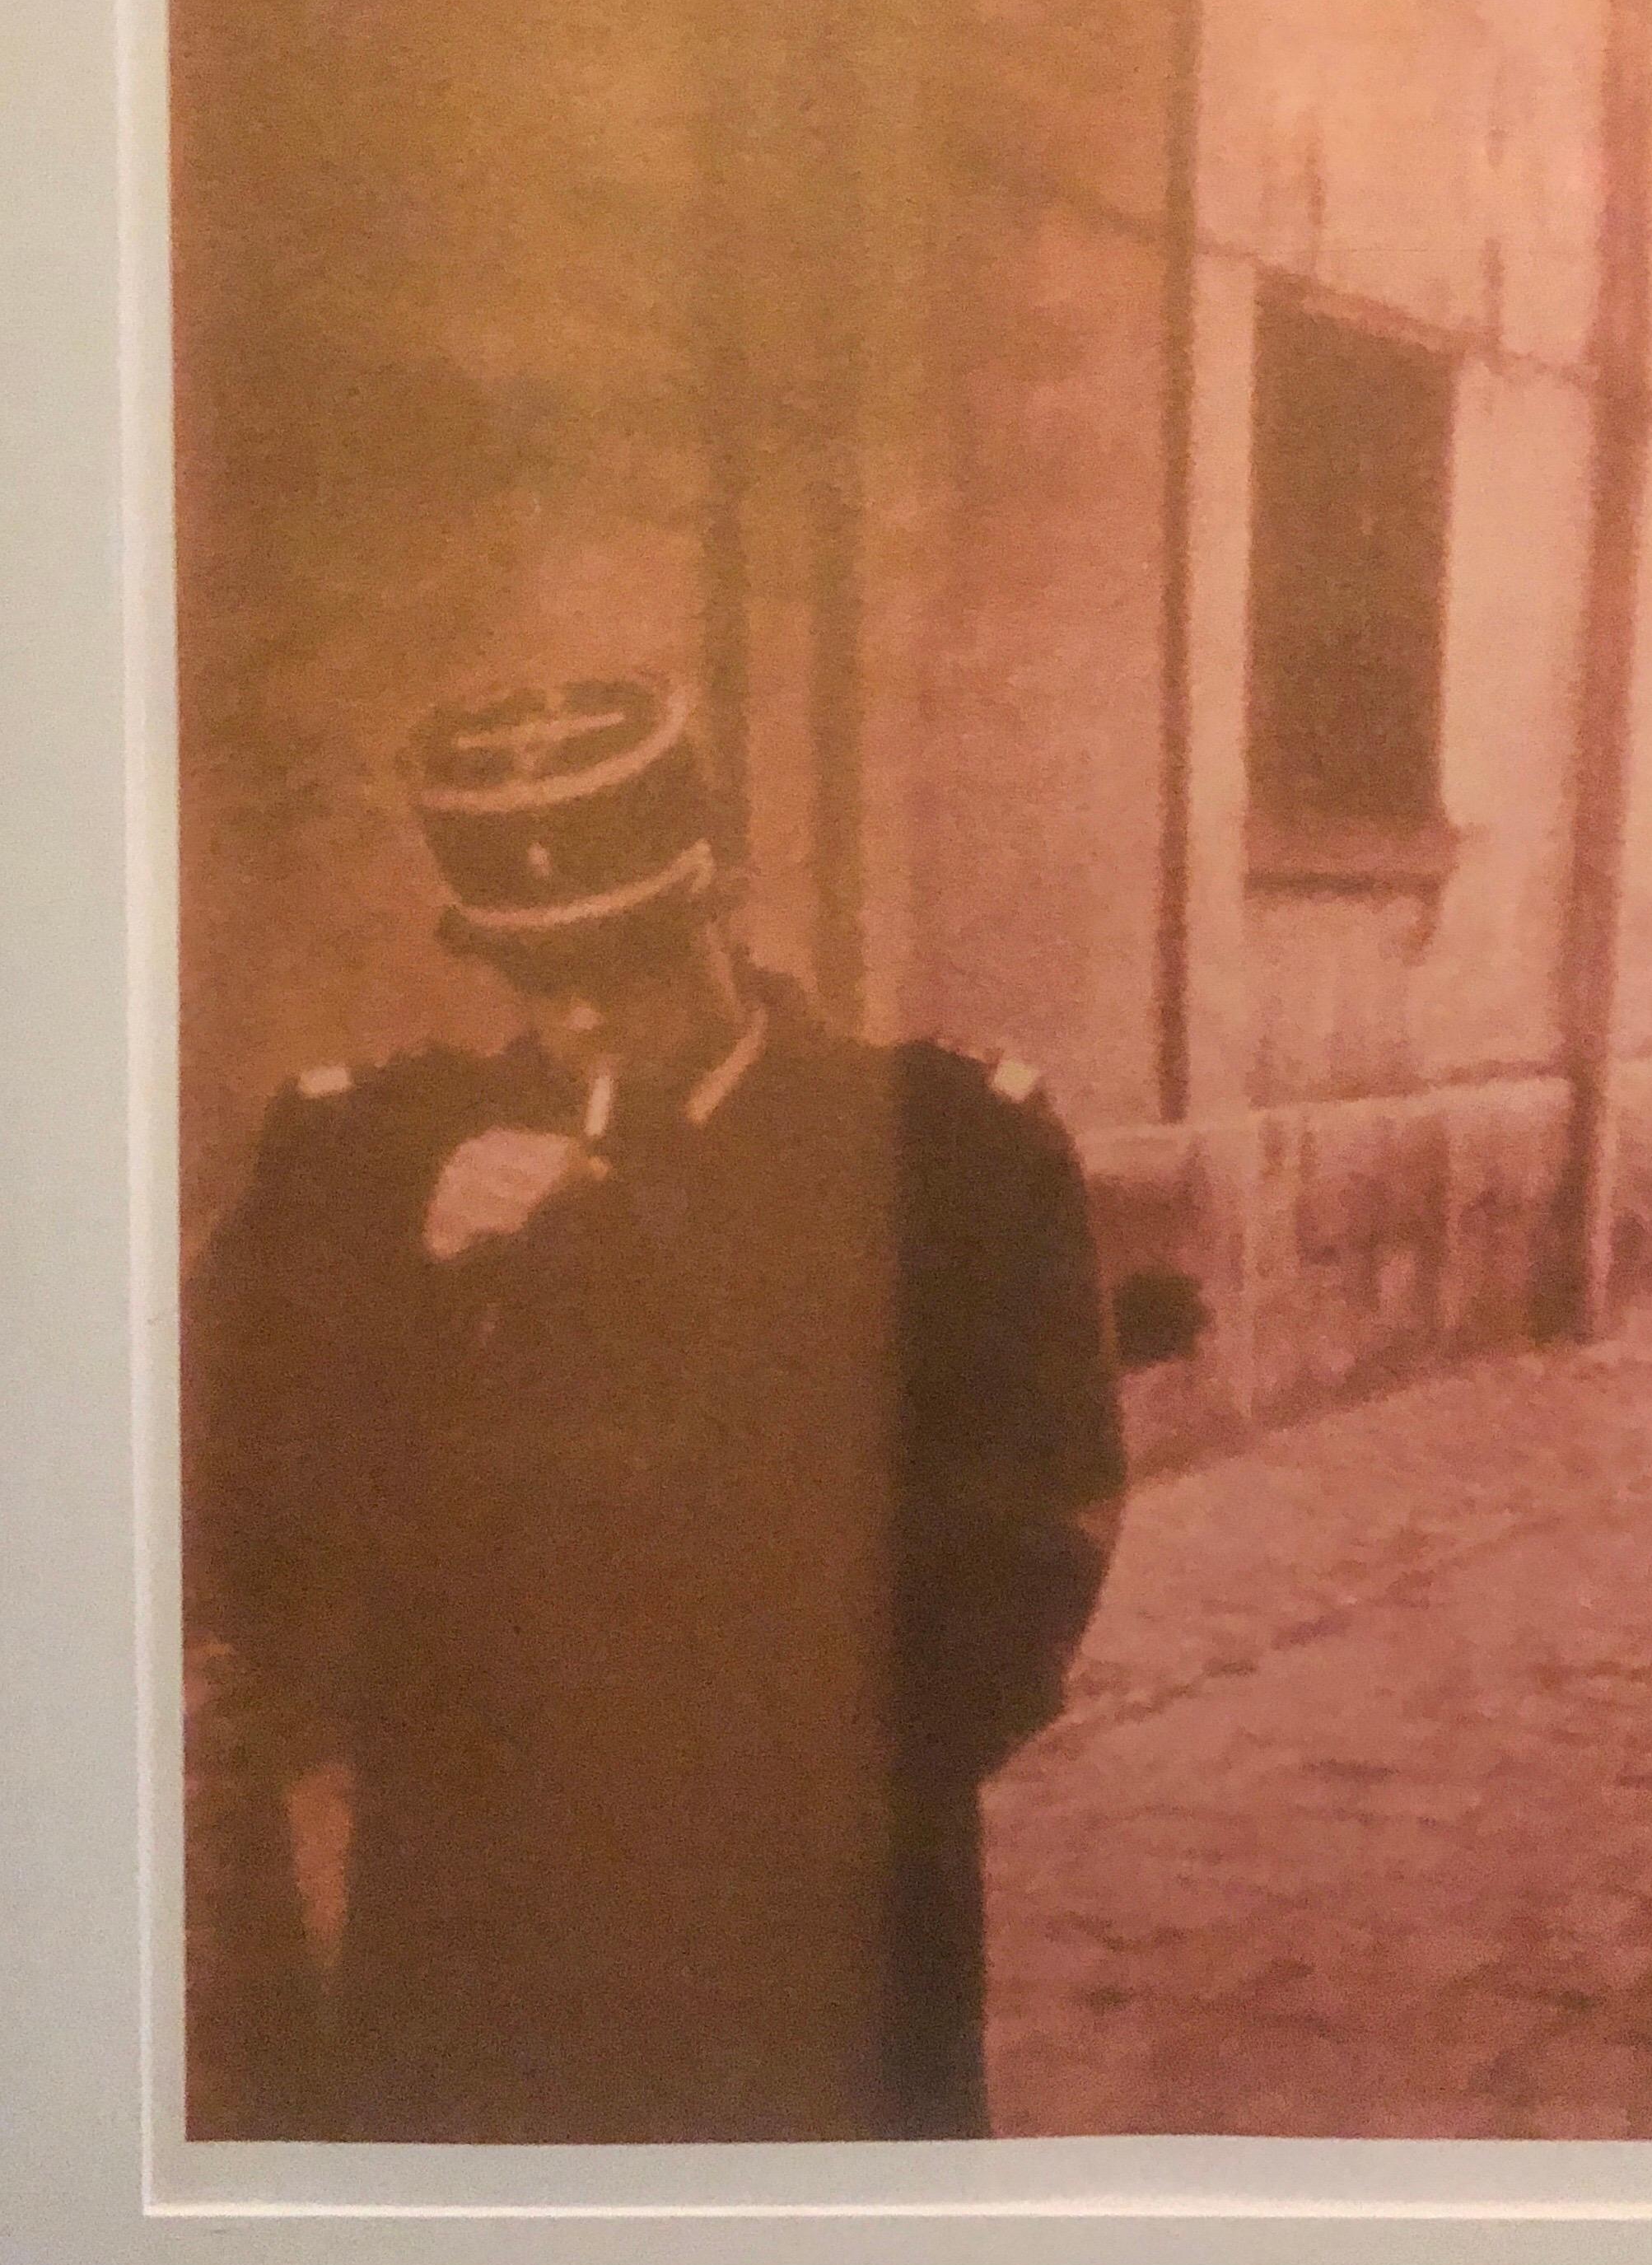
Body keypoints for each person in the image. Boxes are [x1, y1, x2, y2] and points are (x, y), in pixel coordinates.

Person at [181, 674, 1127, 2146]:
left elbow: (1031, 1539)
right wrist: (408, 1277)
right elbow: (234, 1498)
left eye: (630, 960)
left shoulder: (947, 1156)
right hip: (475, 1902)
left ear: (729, 900)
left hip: (806, 1905)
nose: (580, 1019)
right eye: (528, 969)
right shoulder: (366, 1158)